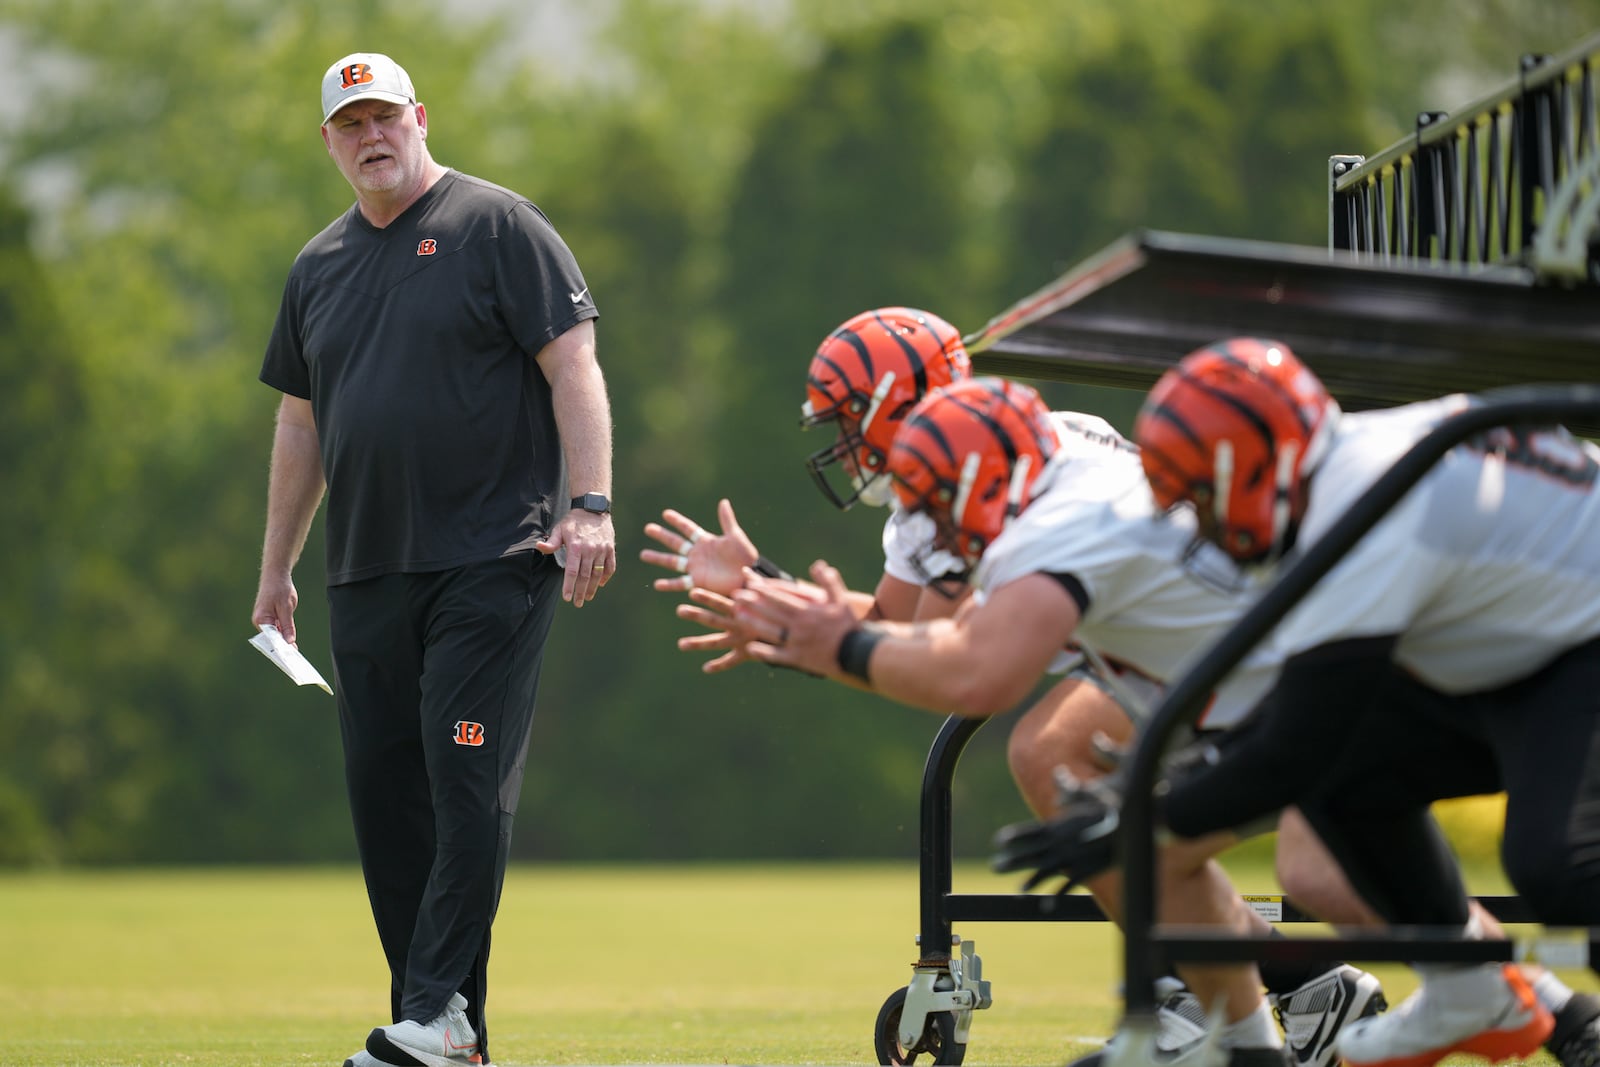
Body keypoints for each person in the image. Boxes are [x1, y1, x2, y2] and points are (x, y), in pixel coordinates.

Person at [720, 373, 1386, 1067]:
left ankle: (1447, 988)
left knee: (1123, 811)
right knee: (1126, 829)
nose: (932, 538)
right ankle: (1253, 1034)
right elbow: (923, 640)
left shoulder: (1058, 524)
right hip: (1248, 671)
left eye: (937, 506)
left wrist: (824, 638)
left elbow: (970, 672)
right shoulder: (1033, 474)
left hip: (1305, 681)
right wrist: (788, 611)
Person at [1004, 337, 1600, 1067]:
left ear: (1251, 464)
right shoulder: (1343, 472)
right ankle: (1469, 989)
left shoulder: (1355, 508)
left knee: (1561, 863)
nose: (1201, 526)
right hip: (1533, 643)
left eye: (1201, 496)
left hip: (1575, 635)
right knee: (1350, 773)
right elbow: (1312, 744)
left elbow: (1290, 750)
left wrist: (1136, 823)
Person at [251, 52, 615, 1067]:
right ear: (328, 142)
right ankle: (445, 1031)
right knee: (386, 800)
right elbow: (300, 421)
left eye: (384, 116)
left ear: (419, 117)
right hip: (363, 573)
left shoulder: (497, 225)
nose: (370, 135)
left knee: (463, 778)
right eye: (348, 123)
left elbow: (572, 367)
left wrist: (591, 505)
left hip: (491, 560)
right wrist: (276, 565)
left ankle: (436, 1009)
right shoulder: (317, 265)